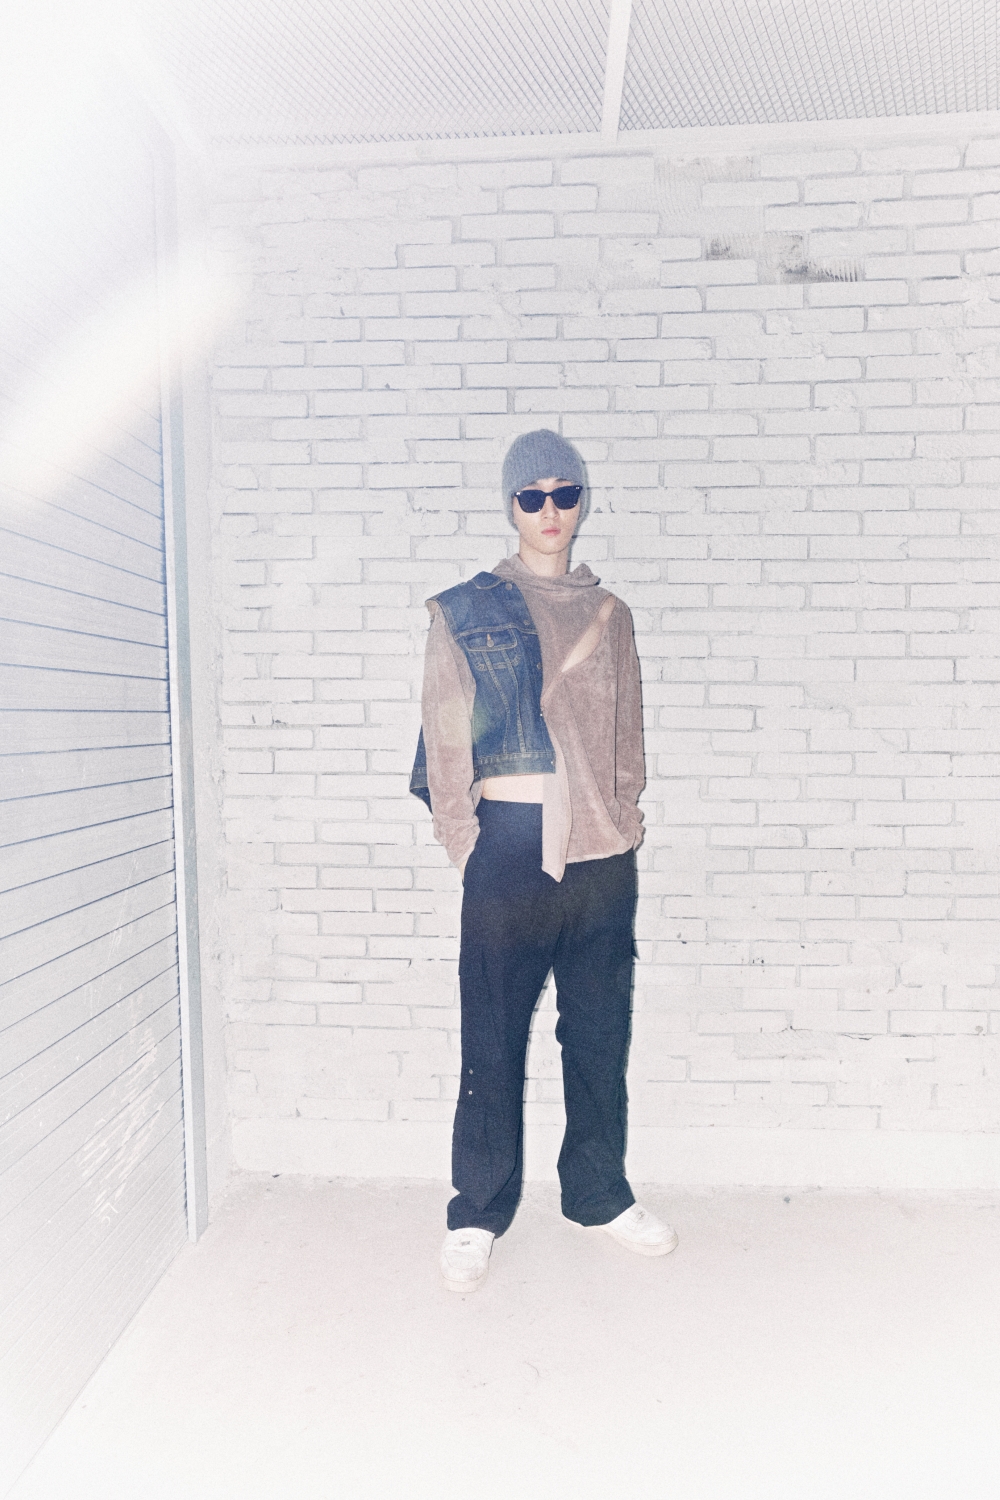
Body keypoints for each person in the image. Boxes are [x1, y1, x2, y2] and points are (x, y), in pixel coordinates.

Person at [411, 429, 678, 1293]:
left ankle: (598, 1194)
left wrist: (623, 820)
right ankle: (477, 1212)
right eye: (533, 497)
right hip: (511, 848)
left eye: (565, 494)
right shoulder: (466, 610)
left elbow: (626, 738)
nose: (550, 511)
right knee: (491, 1037)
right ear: (512, 506)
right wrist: (470, 846)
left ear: (582, 502)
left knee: (598, 1036)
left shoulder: (612, 614)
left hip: (601, 857)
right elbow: (446, 741)